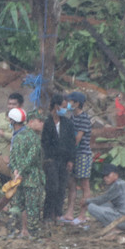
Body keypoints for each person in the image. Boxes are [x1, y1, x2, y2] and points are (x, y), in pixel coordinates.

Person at [8, 113, 46, 238]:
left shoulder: (18, 136)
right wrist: (21, 172)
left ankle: (15, 231)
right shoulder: (34, 138)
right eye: (40, 121)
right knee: (33, 208)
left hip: (19, 179)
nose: (42, 124)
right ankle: (33, 235)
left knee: (20, 206)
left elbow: (12, 156)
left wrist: (16, 171)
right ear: (31, 121)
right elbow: (31, 158)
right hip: (32, 178)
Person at [40, 94, 76, 223]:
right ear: (56, 106)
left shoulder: (68, 123)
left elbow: (72, 143)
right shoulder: (47, 123)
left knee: (61, 187)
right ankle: (48, 214)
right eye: (63, 107)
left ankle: (57, 213)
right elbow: (44, 143)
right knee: (52, 187)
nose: (65, 110)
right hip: (51, 160)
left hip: (64, 160)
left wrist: (71, 159)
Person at [64, 91, 94, 222]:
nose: (68, 104)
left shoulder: (84, 119)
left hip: (82, 155)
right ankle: (69, 212)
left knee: (84, 185)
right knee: (72, 184)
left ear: (76, 103)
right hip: (73, 155)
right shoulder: (72, 117)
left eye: (70, 101)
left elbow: (77, 140)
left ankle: (82, 214)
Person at [86, 165, 125, 231]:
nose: (105, 178)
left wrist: (86, 201)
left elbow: (102, 199)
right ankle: (110, 224)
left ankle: (111, 227)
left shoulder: (117, 185)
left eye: (107, 175)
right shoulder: (122, 183)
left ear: (115, 175)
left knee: (91, 207)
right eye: (104, 176)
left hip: (123, 221)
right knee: (103, 205)